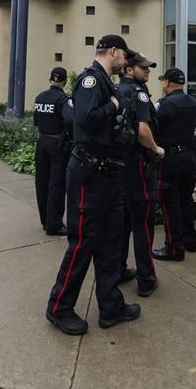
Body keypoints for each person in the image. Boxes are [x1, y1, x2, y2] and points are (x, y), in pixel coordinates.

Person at [46, 35, 141, 336]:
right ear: (113, 51)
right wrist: (114, 104)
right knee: (83, 243)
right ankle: (59, 307)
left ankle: (111, 305)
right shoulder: (91, 81)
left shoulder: (106, 82)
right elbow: (85, 119)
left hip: (109, 175)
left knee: (111, 244)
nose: (126, 63)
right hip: (91, 175)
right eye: (124, 56)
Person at [116, 52, 165, 297]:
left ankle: (118, 269)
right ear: (128, 70)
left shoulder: (115, 91)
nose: (148, 72)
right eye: (143, 68)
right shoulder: (139, 93)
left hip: (118, 165)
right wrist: (156, 148)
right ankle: (146, 279)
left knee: (122, 222)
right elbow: (144, 130)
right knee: (143, 222)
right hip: (138, 164)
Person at [152, 68, 196, 261]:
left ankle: (173, 248)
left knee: (169, 203)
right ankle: (190, 240)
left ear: (168, 82)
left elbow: (152, 126)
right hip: (188, 157)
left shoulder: (165, 104)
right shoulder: (192, 102)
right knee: (186, 200)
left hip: (169, 159)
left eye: (163, 80)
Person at [34, 67, 74, 236]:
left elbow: (36, 120)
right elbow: (70, 119)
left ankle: (45, 220)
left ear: (50, 79)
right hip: (57, 143)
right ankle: (55, 224)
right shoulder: (64, 99)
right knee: (56, 184)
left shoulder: (40, 97)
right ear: (64, 82)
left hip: (41, 141)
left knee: (42, 182)